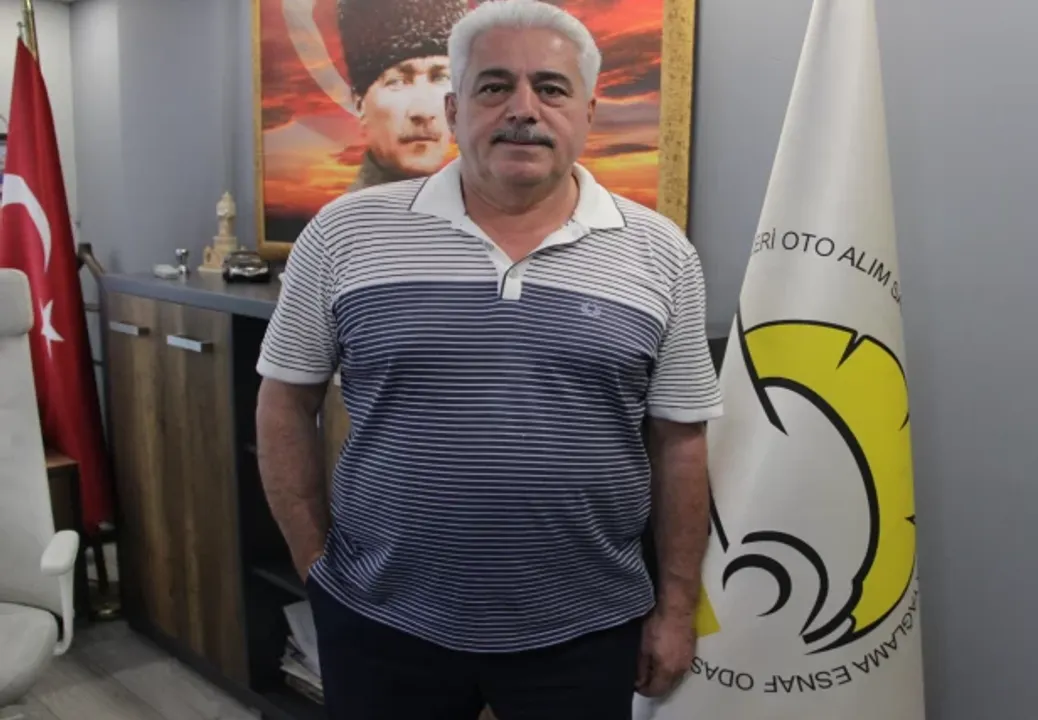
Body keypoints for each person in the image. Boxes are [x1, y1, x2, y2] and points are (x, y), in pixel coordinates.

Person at [254, 1, 723, 718]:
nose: (523, 109)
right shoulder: (346, 233)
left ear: (588, 112)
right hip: (381, 621)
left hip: (587, 627)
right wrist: (313, 563)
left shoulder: (662, 254)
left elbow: (681, 440)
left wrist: (677, 607)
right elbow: (286, 400)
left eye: (551, 88)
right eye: (494, 86)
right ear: (455, 108)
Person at [338, 0, 466, 190]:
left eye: (440, 78)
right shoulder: (350, 212)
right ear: (359, 104)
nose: (423, 111)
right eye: (397, 82)